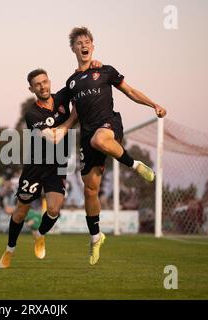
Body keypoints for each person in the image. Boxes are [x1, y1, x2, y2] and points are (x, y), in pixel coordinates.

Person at [65, 27, 167, 265]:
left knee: (100, 140)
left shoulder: (105, 70)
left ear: (93, 45)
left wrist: (154, 105)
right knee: (90, 190)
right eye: (79, 42)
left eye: (87, 41)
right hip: (86, 133)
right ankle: (95, 237)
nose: (84, 45)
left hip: (108, 125)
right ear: (73, 49)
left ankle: (136, 164)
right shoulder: (71, 83)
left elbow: (130, 91)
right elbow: (74, 115)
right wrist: (61, 130)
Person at [0, 63, 100, 268]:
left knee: (54, 209)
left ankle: (40, 234)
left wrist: (92, 66)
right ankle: (9, 250)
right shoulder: (32, 114)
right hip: (35, 167)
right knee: (20, 212)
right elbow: (53, 137)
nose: (42, 86)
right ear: (31, 89)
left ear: (49, 82)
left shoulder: (63, 96)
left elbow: (81, 82)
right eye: (37, 84)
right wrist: (73, 117)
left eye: (44, 82)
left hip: (57, 165)